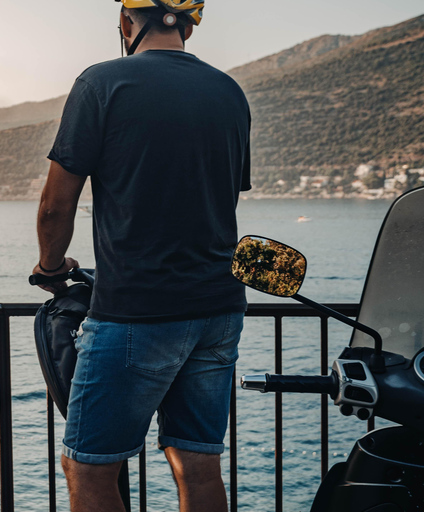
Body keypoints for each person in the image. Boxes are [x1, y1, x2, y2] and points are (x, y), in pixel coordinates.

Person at [32, 1, 251, 511]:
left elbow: (53, 206)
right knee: (197, 463)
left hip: (137, 309)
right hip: (218, 308)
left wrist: (50, 268)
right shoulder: (230, 93)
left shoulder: (101, 84)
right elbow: (219, 198)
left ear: (129, 24)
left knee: (88, 467)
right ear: (189, 28)